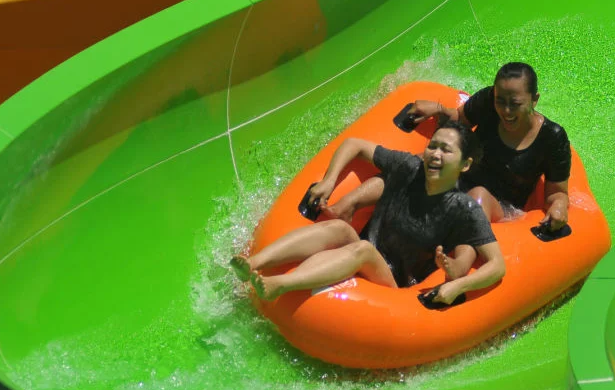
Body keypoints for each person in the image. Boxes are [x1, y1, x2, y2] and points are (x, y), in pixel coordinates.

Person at [326, 62, 572, 273]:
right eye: (501, 101)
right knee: (412, 169)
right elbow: (460, 119)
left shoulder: (552, 137)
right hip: (462, 177)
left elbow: (556, 192)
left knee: (477, 197)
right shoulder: (488, 101)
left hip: (501, 204)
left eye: (515, 104)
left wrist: (559, 208)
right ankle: (346, 207)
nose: (505, 111)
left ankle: (460, 264)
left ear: (534, 99)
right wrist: (440, 109)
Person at [232, 122, 506, 306]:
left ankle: (281, 284)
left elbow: (497, 266)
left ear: (465, 164)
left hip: (395, 283)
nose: (435, 154)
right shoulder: (409, 167)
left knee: (363, 249)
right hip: (364, 249)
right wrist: (329, 180)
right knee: (340, 229)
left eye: (446, 150)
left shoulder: (464, 210)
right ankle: (254, 262)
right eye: (433, 145)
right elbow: (355, 144)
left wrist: (458, 286)